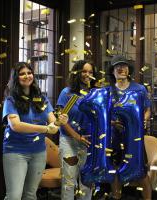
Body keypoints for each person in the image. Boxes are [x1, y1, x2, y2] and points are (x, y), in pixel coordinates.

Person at [2, 62, 68, 200]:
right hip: (15, 151)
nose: (27, 76)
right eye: (22, 74)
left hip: (39, 152)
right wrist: (45, 128)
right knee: (14, 195)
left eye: (29, 72)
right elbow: (16, 126)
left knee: (31, 195)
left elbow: (53, 125)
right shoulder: (11, 100)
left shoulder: (42, 99)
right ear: (16, 78)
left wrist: (60, 121)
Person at [107, 55, 152, 200]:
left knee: (142, 173)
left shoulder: (139, 89)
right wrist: (112, 123)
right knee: (115, 170)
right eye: (117, 66)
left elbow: (147, 110)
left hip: (135, 138)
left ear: (128, 70)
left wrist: (141, 121)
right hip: (114, 137)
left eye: (124, 66)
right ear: (112, 71)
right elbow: (103, 114)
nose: (121, 68)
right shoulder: (108, 91)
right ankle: (116, 197)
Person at [57, 60, 96, 200]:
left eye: (90, 72)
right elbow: (61, 119)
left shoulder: (95, 94)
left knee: (87, 182)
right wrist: (76, 136)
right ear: (77, 73)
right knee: (68, 183)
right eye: (84, 71)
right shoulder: (67, 93)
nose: (87, 75)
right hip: (69, 141)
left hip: (89, 143)